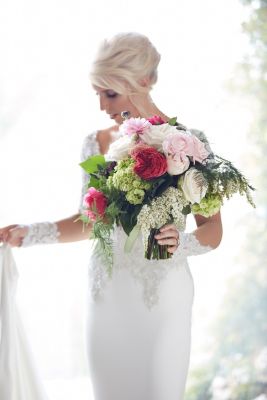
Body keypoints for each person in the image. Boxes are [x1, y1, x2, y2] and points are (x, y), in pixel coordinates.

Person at [0, 32, 222, 400]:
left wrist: (180, 242)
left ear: (145, 80)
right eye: (98, 94)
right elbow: (90, 220)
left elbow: (213, 230)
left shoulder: (191, 144)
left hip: (163, 297)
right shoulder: (98, 143)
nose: (103, 106)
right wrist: (30, 232)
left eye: (111, 93)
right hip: (107, 295)